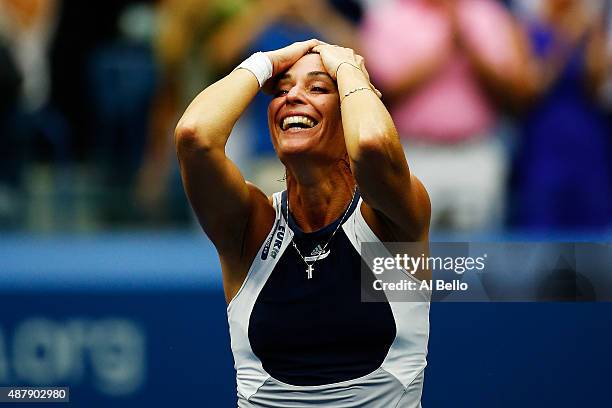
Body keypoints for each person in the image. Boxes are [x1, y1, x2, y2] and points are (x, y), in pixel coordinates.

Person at [175, 40, 431, 407]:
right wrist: (266, 62)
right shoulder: (252, 227)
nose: (291, 97)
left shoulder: (390, 222)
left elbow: (372, 143)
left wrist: (349, 67)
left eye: (318, 88)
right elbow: (195, 135)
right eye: (280, 90)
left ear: (352, 109)